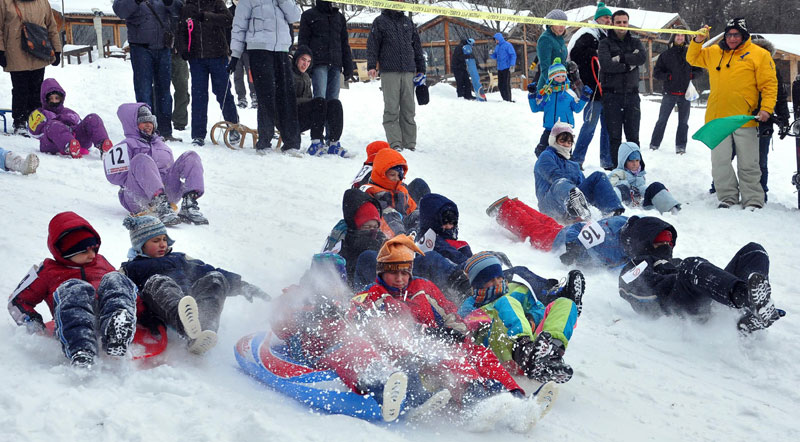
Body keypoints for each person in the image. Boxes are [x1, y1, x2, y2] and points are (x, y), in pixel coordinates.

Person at [271, 253, 452, 421]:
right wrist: (311, 314)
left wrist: (366, 316)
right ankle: (382, 390)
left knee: (388, 337)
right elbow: (282, 324)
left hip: (347, 341)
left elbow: (358, 314)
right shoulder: (299, 296)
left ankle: (415, 393)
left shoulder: (343, 300)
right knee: (357, 348)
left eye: (337, 282)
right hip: (318, 351)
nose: (333, 286)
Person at [352, 235, 527, 401]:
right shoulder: (372, 294)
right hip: (409, 356)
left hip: (438, 343)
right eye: (393, 273)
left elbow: (449, 314)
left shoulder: (422, 287)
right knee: (450, 358)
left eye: (404, 273)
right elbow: (357, 319)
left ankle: (513, 395)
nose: (399, 279)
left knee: (479, 353)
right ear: (381, 273)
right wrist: (433, 334)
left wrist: (458, 334)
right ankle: (474, 398)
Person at [120, 215, 268, 354]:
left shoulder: (180, 258)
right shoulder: (131, 268)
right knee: (159, 281)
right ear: (141, 245)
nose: (162, 244)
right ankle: (185, 323)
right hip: (162, 309)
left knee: (216, 277)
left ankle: (205, 329)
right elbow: (115, 289)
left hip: (193, 303)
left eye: (164, 239)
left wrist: (242, 285)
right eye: (156, 241)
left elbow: (208, 270)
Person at [8, 212, 138, 367]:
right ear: (65, 252)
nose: (92, 255)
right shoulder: (47, 271)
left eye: (94, 249)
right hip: (73, 322)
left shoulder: (100, 261)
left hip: (106, 314)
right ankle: (82, 349)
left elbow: (120, 291)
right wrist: (33, 325)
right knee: (74, 288)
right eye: (84, 251)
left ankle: (117, 333)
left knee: (116, 278)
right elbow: (17, 301)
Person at [616, 216, 781, 333]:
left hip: (707, 301)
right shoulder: (636, 264)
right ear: (643, 241)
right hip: (675, 308)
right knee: (691, 266)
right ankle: (745, 297)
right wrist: (669, 291)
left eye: (670, 240)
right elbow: (635, 293)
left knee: (753, 251)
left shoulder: (678, 262)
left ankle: (751, 311)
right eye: (661, 238)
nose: (667, 243)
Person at [687, 18, 776, 209]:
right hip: (717, 118)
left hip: (745, 118)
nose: (732, 38)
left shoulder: (759, 54)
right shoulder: (714, 52)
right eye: (729, 34)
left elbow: (769, 85)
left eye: (736, 34)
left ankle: (753, 199)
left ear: (744, 35)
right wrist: (698, 41)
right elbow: (692, 58)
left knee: (749, 163)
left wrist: (766, 109)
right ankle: (727, 197)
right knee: (719, 162)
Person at [458, 252, 583, 383]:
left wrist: (532, 319)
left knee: (565, 303)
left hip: (536, 348)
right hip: (500, 351)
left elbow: (539, 309)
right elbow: (467, 334)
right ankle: (526, 353)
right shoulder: (470, 306)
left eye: (499, 277)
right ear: (478, 285)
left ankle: (551, 355)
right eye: (490, 280)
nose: (497, 283)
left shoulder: (517, 289)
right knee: (505, 302)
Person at [105, 103, 208, 226]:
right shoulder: (126, 146)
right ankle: (159, 204)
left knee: (191, 156)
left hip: (168, 194)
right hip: (137, 196)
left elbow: (171, 170)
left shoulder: (162, 146)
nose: (148, 125)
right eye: (143, 122)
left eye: (151, 121)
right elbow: (114, 178)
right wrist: (142, 171)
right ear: (133, 124)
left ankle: (189, 203)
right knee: (142, 159)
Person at [230, 0, 302, 155]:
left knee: (286, 95)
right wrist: (235, 54)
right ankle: (264, 141)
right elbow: (239, 25)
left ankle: (291, 143)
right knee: (266, 95)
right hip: (259, 49)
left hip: (281, 49)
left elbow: (295, 15)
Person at [486, 196, 630, 269]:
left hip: (571, 233)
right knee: (536, 231)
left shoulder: (627, 224)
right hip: (566, 241)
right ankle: (506, 210)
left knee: (547, 225)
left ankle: (517, 205)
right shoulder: (629, 247)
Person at [113, 0, 183, 142]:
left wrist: (170, 3)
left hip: (164, 47)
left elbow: (179, 11)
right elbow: (120, 11)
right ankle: (146, 132)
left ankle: (165, 131)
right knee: (143, 91)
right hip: (140, 47)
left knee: (164, 91)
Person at [534, 122, 624, 224]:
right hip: (551, 203)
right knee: (561, 182)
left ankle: (612, 213)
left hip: (572, 202)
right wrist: (572, 191)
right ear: (554, 140)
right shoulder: (546, 156)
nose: (566, 144)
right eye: (562, 141)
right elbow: (554, 176)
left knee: (599, 176)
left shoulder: (573, 164)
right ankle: (576, 209)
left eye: (569, 142)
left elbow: (583, 186)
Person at [177, 0, 239, 147]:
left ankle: (234, 127)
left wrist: (206, 16)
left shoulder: (216, 2)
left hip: (218, 56)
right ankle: (198, 134)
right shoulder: (187, 7)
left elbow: (228, 20)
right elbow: (180, 31)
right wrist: (183, 49)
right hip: (196, 58)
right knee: (198, 96)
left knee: (223, 92)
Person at [367, 5, 426, 151]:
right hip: (389, 71)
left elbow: (417, 46)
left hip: (408, 71)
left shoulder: (408, 21)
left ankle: (410, 143)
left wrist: (421, 69)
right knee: (391, 109)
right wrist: (371, 65)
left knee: (408, 109)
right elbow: (372, 45)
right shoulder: (379, 21)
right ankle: (395, 143)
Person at [0, 0, 62, 136]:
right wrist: (0, 50)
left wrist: (57, 49)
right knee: (20, 89)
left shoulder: (42, 2)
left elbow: (51, 26)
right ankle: (20, 121)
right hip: (16, 52)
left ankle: (35, 121)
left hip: (38, 52)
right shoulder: (5, 2)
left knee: (37, 90)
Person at [598, 10, 646, 168]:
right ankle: (616, 170)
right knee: (614, 137)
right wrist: (628, 66)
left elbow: (641, 58)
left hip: (632, 96)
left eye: (624, 22)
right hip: (612, 97)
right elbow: (606, 65)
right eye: (618, 22)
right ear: (612, 23)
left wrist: (621, 58)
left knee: (633, 136)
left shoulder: (635, 42)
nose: (622, 25)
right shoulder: (604, 43)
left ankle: (637, 169)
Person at [568, 2, 613, 169]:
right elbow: (576, 55)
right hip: (594, 90)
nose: (608, 20)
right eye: (605, 17)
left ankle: (607, 161)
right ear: (597, 19)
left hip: (607, 90)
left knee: (608, 128)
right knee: (589, 126)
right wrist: (595, 53)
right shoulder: (588, 34)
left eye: (609, 17)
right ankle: (577, 159)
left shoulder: (606, 35)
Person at [27, 78, 113, 158]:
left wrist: (70, 123)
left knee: (92, 118)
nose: (54, 101)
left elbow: (83, 126)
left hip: (77, 140)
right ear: (45, 99)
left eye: (56, 98)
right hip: (53, 144)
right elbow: (34, 132)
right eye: (51, 99)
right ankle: (69, 145)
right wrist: (52, 121)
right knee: (54, 125)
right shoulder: (40, 113)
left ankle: (103, 144)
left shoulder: (68, 112)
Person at [649, 30, 703, 154]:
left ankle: (681, 146)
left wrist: (690, 75)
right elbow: (656, 73)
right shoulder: (666, 55)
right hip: (669, 93)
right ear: (673, 37)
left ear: (685, 38)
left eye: (682, 35)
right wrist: (668, 77)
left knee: (683, 123)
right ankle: (654, 145)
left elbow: (699, 71)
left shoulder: (691, 54)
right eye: (677, 35)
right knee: (662, 120)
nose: (679, 37)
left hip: (685, 94)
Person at [291, 45, 350, 157]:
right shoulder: (289, 75)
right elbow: (288, 101)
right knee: (319, 102)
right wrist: (312, 102)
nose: (305, 64)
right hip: (290, 119)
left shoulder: (306, 77)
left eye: (308, 61)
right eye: (303, 60)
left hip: (302, 115)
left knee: (334, 103)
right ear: (297, 59)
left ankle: (333, 143)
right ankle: (315, 144)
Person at [750, 37, 791, 201]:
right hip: (740, 117)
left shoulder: (772, 69)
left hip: (764, 119)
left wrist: (783, 118)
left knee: (761, 158)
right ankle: (720, 187)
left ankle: (761, 191)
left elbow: (780, 95)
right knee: (730, 154)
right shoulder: (743, 66)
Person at [529, 58, 590, 156]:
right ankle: (546, 168)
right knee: (541, 151)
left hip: (565, 130)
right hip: (549, 128)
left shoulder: (570, 93)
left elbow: (577, 109)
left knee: (565, 154)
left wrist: (584, 97)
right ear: (551, 78)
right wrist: (532, 94)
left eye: (563, 76)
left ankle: (565, 169)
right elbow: (535, 108)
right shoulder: (546, 93)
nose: (561, 78)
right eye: (558, 76)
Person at [298, 0, 354, 103]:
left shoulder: (339, 17)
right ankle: (318, 119)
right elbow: (303, 41)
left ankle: (331, 119)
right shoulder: (308, 15)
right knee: (319, 99)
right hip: (318, 63)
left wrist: (348, 64)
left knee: (333, 102)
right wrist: (303, 63)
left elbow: (344, 43)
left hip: (336, 64)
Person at [608, 142, 681, 214]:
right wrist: (627, 186)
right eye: (631, 161)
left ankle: (671, 209)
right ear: (623, 161)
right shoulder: (617, 173)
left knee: (656, 186)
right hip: (626, 207)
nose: (635, 164)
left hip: (641, 206)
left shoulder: (640, 175)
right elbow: (610, 188)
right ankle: (613, 211)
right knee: (621, 189)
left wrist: (647, 192)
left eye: (637, 160)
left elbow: (641, 189)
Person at [227, 0, 257, 109]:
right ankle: (241, 97)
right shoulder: (229, 12)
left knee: (251, 74)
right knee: (237, 74)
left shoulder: (251, 9)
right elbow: (227, 31)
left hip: (249, 48)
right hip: (235, 49)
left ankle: (254, 95)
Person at [535, 9, 568, 94]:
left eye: (564, 24)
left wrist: (569, 66)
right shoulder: (545, 39)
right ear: (551, 24)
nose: (562, 27)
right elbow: (545, 66)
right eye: (559, 23)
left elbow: (561, 62)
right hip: (549, 86)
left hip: (562, 83)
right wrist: (554, 85)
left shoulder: (560, 39)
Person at [170, 5, 190, 134]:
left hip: (179, 53)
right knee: (158, 89)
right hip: (159, 50)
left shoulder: (183, 4)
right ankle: (158, 119)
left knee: (182, 88)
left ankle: (180, 121)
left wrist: (181, 45)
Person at [491, 32, 517, 102]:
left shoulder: (507, 45)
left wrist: (512, 65)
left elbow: (513, 55)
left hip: (506, 67)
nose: (496, 41)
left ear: (499, 39)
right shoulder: (497, 47)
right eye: (495, 40)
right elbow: (495, 56)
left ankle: (508, 99)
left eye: (496, 40)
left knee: (506, 84)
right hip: (500, 68)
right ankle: (504, 99)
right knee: (500, 85)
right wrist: (492, 54)